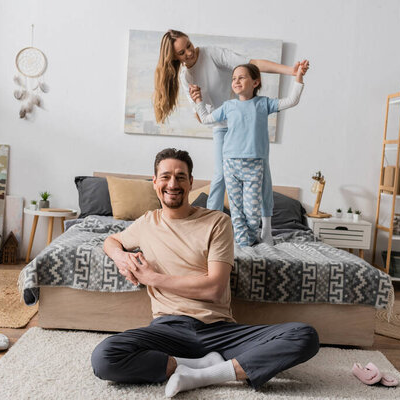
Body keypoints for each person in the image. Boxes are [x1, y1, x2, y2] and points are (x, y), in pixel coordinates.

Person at [92, 148, 319, 397]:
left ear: (191, 182)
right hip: (167, 329)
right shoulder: (147, 223)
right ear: (154, 182)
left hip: (219, 331)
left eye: (180, 177)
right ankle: (200, 366)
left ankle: (202, 376)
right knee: (104, 357)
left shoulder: (218, 222)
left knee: (304, 335)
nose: (172, 184)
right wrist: (120, 256)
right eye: (165, 176)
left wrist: (152, 278)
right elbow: (111, 240)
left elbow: (214, 288)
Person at [153, 29, 309, 245]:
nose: (189, 53)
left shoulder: (213, 54)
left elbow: (253, 64)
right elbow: (203, 118)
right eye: (182, 52)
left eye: (188, 45)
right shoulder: (187, 76)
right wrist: (198, 100)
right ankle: (211, 227)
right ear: (174, 57)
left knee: (263, 179)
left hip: (245, 128)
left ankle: (266, 230)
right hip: (221, 125)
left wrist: (291, 72)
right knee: (220, 177)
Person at [191, 63, 305, 246]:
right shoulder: (229, 106)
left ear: (255, 82)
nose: (236, 81)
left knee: (252, 211)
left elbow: (292, 100)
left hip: (254, 165)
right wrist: (198, 101)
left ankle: (248, 238)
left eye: (241, 77)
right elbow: (205, 119)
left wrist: (298, 77)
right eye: (234, 78)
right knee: (236, 210)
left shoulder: (264, 104)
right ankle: (243, 243)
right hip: (231, 164)